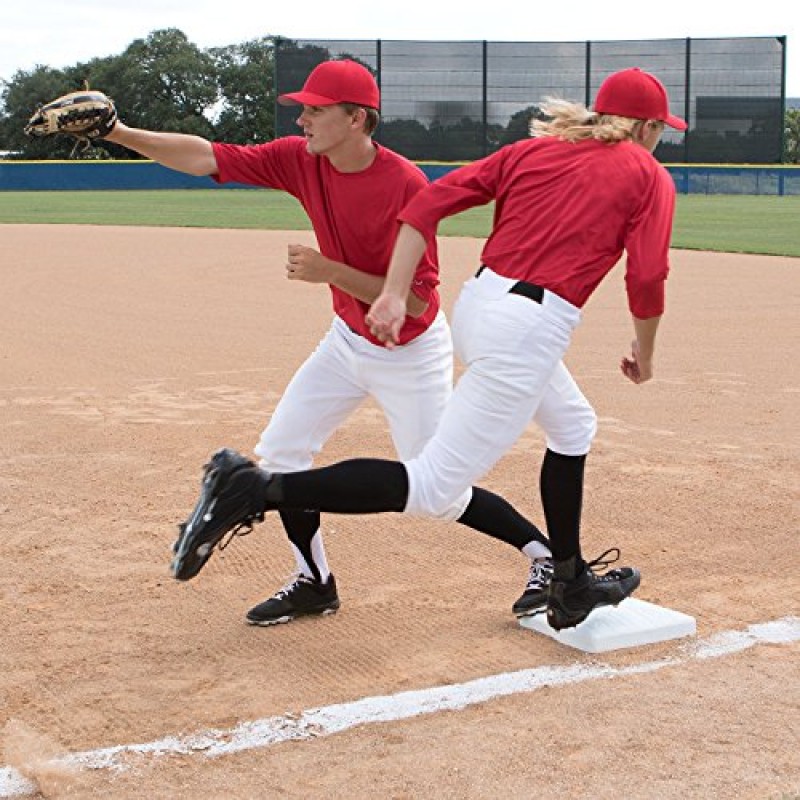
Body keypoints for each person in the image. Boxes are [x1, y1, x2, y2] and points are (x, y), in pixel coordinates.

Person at [172, 66, 685, 631]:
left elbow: (426, 206)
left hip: (478, 307)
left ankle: (567, 576)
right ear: (646, 128)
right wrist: (646, 350)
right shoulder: (648, 172)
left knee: (573, 425)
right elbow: (647, 277)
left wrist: (393, 293)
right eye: (661, 130)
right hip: (530, 329)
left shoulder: (536, 151)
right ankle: (256, 488)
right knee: (436, 484)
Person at [105, 59, 556, 625]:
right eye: (303, 108)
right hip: (346, 343)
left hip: (410, 353)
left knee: (438, 489)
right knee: (282, 455)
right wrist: (116, 133)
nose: (303, 118)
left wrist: (331, 271)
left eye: (317, 110)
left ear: (358, 119)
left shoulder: (405, 185)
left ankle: (547, 559)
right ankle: (314, 581)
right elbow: (206, 156)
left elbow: (417, 302)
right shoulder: (301, 160)